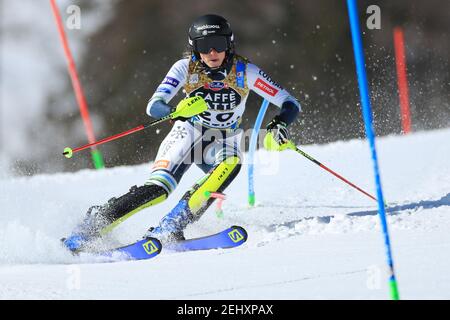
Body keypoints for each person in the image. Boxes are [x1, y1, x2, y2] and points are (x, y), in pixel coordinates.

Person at [63, 14, 301, 250]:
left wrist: (278, 124)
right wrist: (177, 110)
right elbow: (153, 106)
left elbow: (289, 102)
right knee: (158, 189)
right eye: (204, 46)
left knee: (231, 163)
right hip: (188, 131)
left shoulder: (245, 71)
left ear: (229, 44)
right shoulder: (184, 68)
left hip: (223, 137)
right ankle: (95, 224)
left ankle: (172, 225)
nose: (212, 53)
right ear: (194, 48)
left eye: (218, 44)